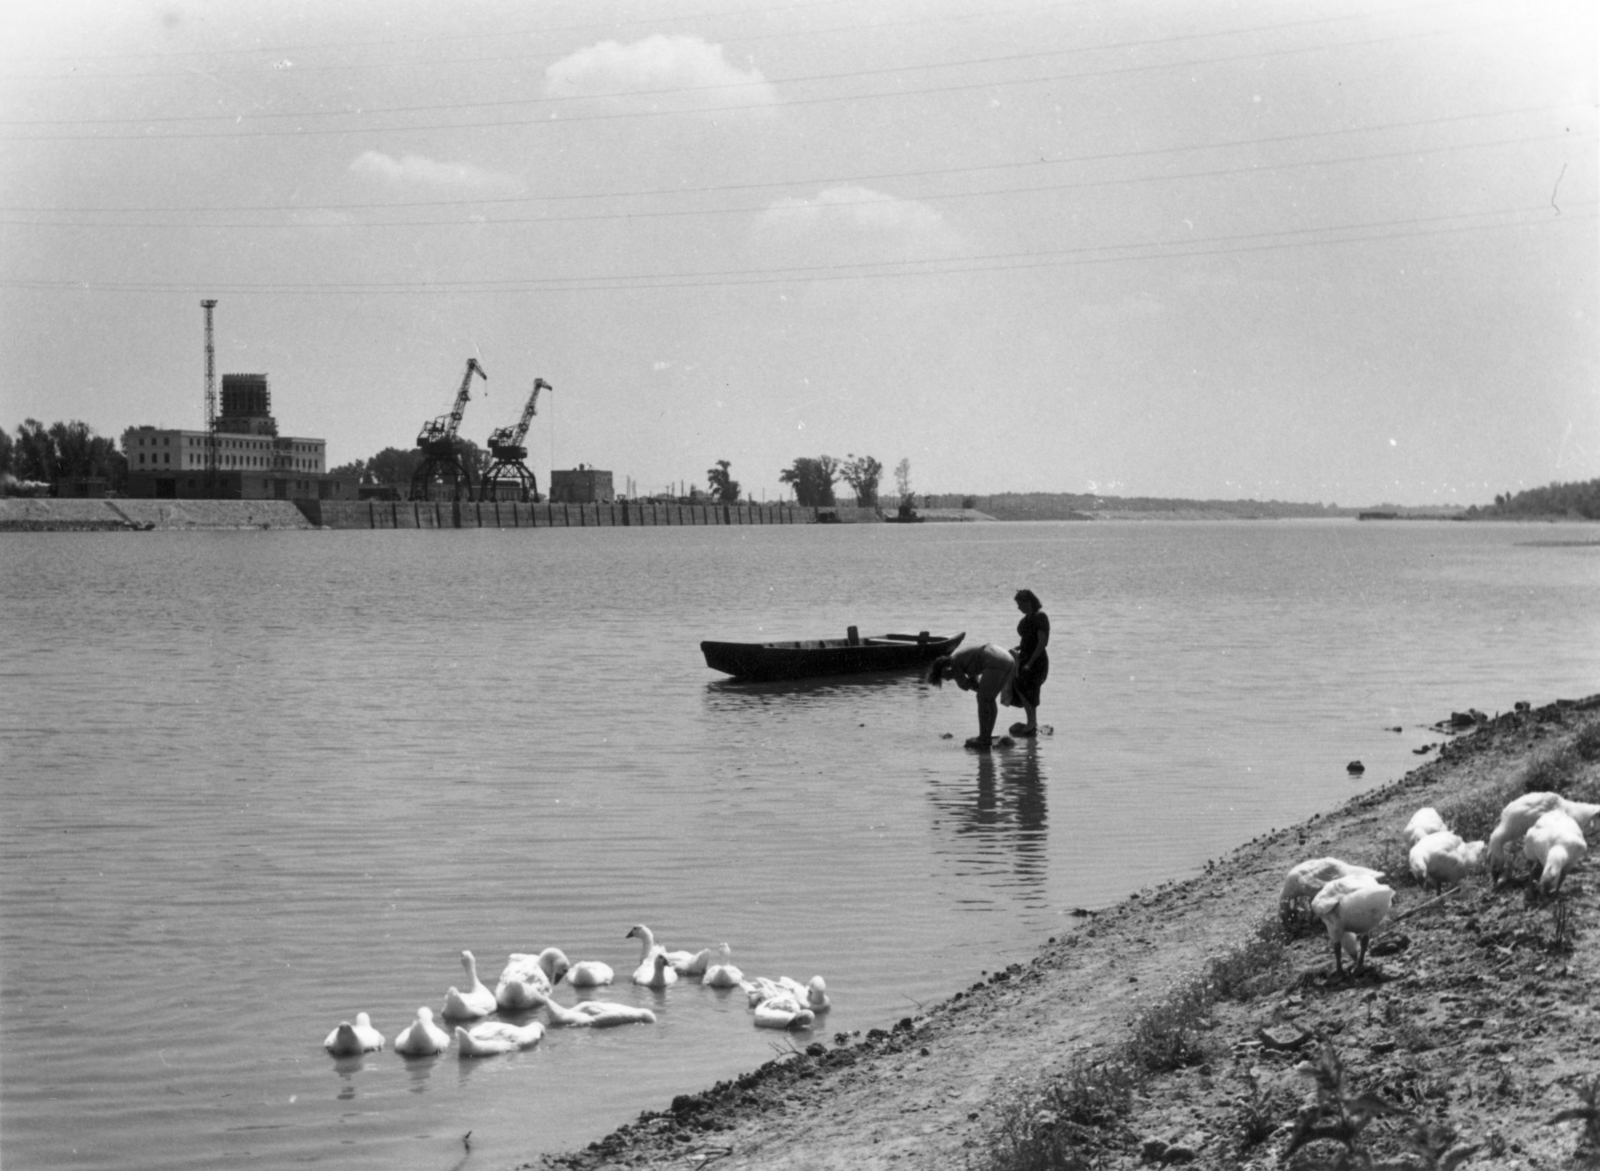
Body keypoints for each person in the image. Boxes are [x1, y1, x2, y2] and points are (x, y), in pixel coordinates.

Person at [925, 642, 1018, 750]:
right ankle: (986, 736)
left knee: (983, 698)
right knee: (989, 698)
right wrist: (979, 689)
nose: (946, 679)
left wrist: (958, 678)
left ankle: (984, 738)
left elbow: (964, 685)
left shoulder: (954, 662)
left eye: (943, 677)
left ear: (944, 669)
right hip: (1008, 660)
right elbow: (978, 686)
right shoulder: (962, 659)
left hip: (995, 661)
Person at [1010, 588, 1049, 736]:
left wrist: (1030, 663)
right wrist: (1018, 648)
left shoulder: (1040, 617)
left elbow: (1041, 643)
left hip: (1037, 660)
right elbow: (1028, 640)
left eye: (1020, 604)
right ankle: (1032, 721)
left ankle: (1031, 722)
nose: (1018, 607)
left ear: (1028, 602)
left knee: (1027, 687)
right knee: (1024, 688)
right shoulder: (1026, 619)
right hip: (1025, 657)